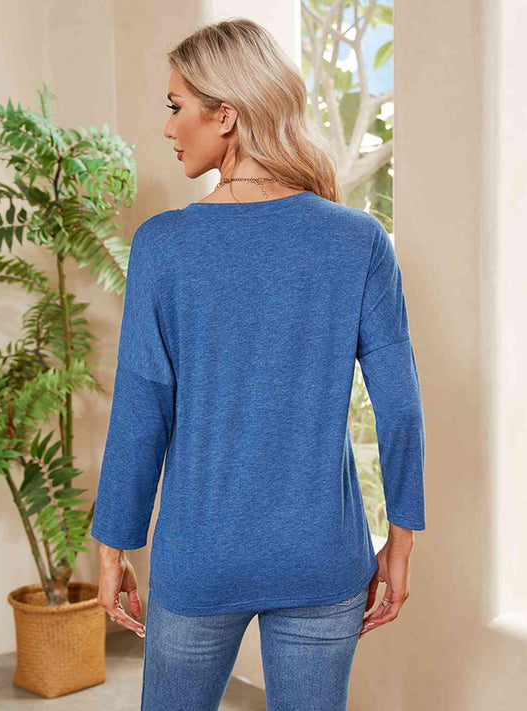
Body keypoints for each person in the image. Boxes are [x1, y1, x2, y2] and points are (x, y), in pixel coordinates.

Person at [90, 17, 426, 711]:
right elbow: (399, 405)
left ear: (226, 115)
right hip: (321, 557)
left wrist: (114, 544)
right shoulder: (358, 239)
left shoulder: (163, 245)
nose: (167, 127)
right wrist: (400, 540)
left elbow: (141, 407)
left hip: (200, 555)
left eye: (176, 106)